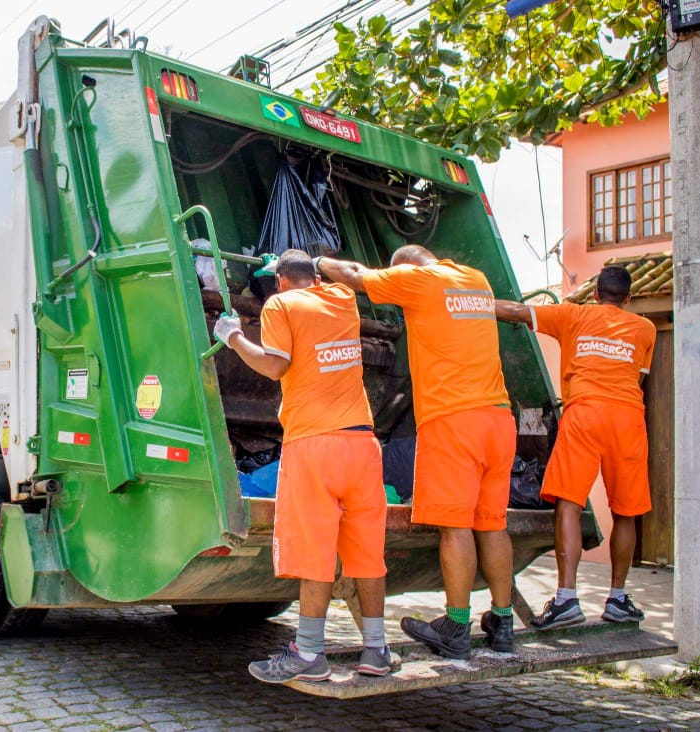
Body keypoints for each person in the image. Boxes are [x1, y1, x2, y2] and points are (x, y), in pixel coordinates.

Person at [316, 245, 516, 660]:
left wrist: (316, 263)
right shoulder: (475, 277)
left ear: (405, 268)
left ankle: (456, 627)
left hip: (453, 421)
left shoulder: (418, 281)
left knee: (456, 527)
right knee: (492, 525)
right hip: (498, 418)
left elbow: (355, 273)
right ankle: (502, 621)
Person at [213, 249, 396, 684]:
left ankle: (310, 654)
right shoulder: (343, 301)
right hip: (361, 445)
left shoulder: (280, 303)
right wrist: (314, 263)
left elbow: (275, 365)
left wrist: (233, 337)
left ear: (278, 282)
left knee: (314, 551)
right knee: (367, 554)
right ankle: (376, 651)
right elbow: (343, 275)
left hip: (313, 444)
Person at [493, 265, 656, 629]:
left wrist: (471, 304)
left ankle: (566, 599)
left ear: (595, 293)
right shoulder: (646, 329)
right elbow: (637, 378)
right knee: (626, 511)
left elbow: (518, 312)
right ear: (627, 298)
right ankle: (617, 598)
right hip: (628, 418)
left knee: (569, 503)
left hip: (584, 414)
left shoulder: (573, 315)